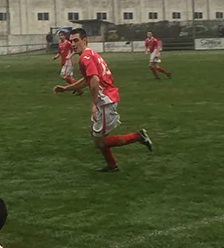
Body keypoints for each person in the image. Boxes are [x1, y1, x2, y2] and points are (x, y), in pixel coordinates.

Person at [54, 28, 152, 172]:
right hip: (106, 98)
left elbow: (94, 80)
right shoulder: (90, 54)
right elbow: (87, 80)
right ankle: (112, 166)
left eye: (76, 40)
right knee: (96, 135)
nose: (73, 44)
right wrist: (66, 88)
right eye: (71, 41)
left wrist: (93, 104)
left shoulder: (85, 57)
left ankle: (137, 136)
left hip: (105, 100)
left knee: (99, 142)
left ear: (84, 40)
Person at [52, 30, 81, 95]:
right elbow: (59, 52)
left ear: (65, 36)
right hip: (63, 62)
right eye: (59, 35)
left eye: (62, 35)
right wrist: (56, 57)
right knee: (70, 77)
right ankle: (78, 89)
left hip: (68, 62)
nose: (60, 36)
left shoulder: (68, 43)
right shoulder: (60, 44)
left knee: (63, 76)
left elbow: (74, 50)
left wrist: (69, 56)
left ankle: (76, 88)